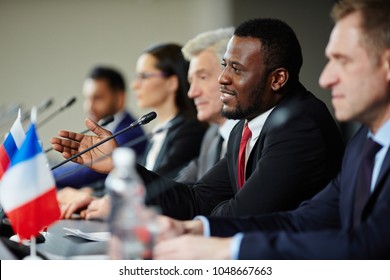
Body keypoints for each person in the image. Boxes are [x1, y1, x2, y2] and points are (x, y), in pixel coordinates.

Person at [153, 0, 390, 260]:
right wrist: (199, 228)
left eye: (342, 60)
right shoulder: (363, 145)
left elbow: (371, 245)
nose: (325, 78)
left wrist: (228, 248)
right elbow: (302, 221)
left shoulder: (302, 122)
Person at [51, 18, 344, 221]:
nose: (223, 78)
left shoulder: (300, 124)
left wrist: (185, 222)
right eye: (224, 65)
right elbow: (196, 200)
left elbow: (241, 217)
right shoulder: (246, 126)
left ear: (277, 79)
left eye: (237, 69)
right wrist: (118, 165)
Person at [53, 66, 147, 199]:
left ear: (119, 98)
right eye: (87, 98)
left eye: (97, 98)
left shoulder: (130, 132)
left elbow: (88, 172)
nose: (89, 106)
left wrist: (45, 176)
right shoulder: (110, 127)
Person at [132, 43, 206, 180]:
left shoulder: (190, 130)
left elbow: (157, 183)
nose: (134, 85)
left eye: (144, 76)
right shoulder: (158, 130)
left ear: (171, 82)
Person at [175, 27, 238, 184]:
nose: (192, 93)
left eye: (202, 77)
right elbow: (185, 191)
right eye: (190, 81)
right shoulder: (211, 135)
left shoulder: (255, 135)